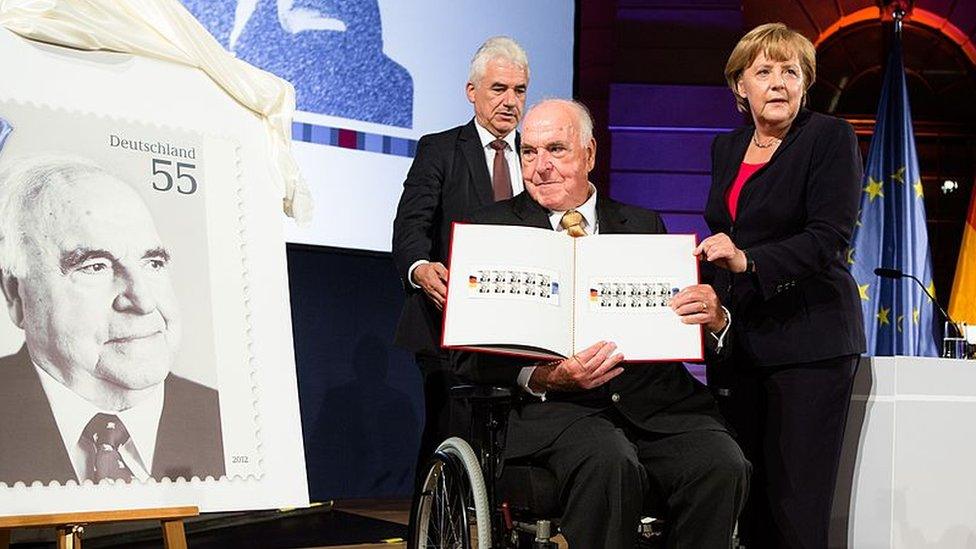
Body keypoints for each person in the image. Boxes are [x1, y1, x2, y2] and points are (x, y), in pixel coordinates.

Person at [456, 99, 750, 548]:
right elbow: (464, 356)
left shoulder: (644, 224)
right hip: (556, 413)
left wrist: (713, 319)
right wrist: (545, 376)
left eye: (556, 149)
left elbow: (678, 328)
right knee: (611, 462)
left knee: (722, 462)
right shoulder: (490, 229)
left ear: (590, 154)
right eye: (529, 152)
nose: (540, 167)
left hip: (652, 403)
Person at [697, 23, 866, 548]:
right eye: (763, 71)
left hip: (809, 346)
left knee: (796, 511)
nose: (778, 83)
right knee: (751, 511)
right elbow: (725, 240)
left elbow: (828, 237)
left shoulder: (828, 137)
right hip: (741, 346)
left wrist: (747, 261)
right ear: (739, 88)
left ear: (805, 83)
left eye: (790, 71)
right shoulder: (726, 149)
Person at [0, 156, 225, 485]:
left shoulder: (228, 422)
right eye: (95, 266)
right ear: (16, 294)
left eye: (153, 263)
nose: (144, 302)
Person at [391, 37, 529, 473]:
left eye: (519, 91)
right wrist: (419, 268)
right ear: (472, 91)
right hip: (448, 327)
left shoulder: (537, 159)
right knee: (447, 441)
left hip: (519, 326)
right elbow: (411, 225)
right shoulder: (441, 149)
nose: (510, 101)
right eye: (498, 89)